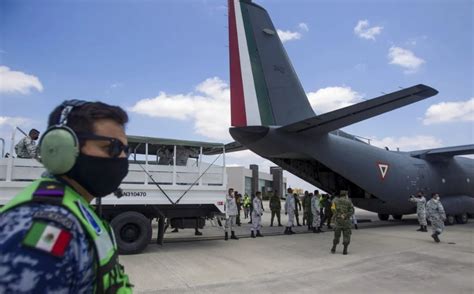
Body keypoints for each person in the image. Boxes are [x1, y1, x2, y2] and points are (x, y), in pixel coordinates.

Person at [0, 100, 133, 292]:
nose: (122, 158)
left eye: (125, 151)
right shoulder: (44, 228)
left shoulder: (74, 208)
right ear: (62, 148)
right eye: (111, 148)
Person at [330, 190, 355, 255]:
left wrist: (337, 214)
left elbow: (332, 208)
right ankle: (345, 250)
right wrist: (345, 215)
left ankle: (334, 247)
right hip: (346, 221)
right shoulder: (349, 201)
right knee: (346, 236)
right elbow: (352, 211)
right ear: (346, 195)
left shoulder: (335, 201)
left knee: (336, 236)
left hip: (338, 221)